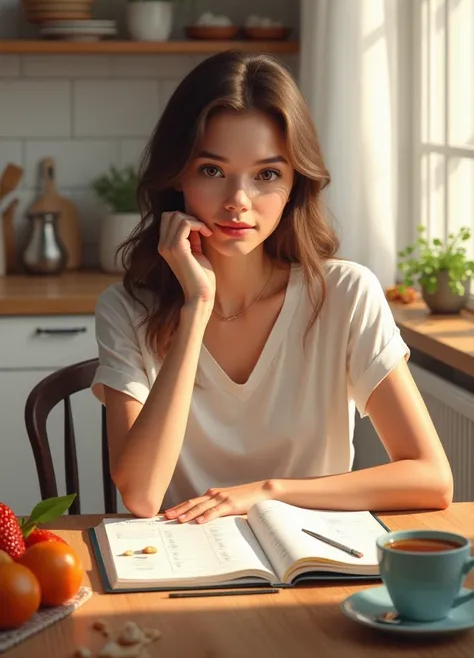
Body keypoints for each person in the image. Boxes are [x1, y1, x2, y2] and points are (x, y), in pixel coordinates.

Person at [91, 50, 453, 522]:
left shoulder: (344, 294)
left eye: (266, 175)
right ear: (178, 176)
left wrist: (266, 491)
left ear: (295, 183)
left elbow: (431, 478)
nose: (238, 201)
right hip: (187, 572)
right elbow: (139, 496)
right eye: (213, 171)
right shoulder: (126, 309)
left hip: (314, 564)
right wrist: (197, 307)